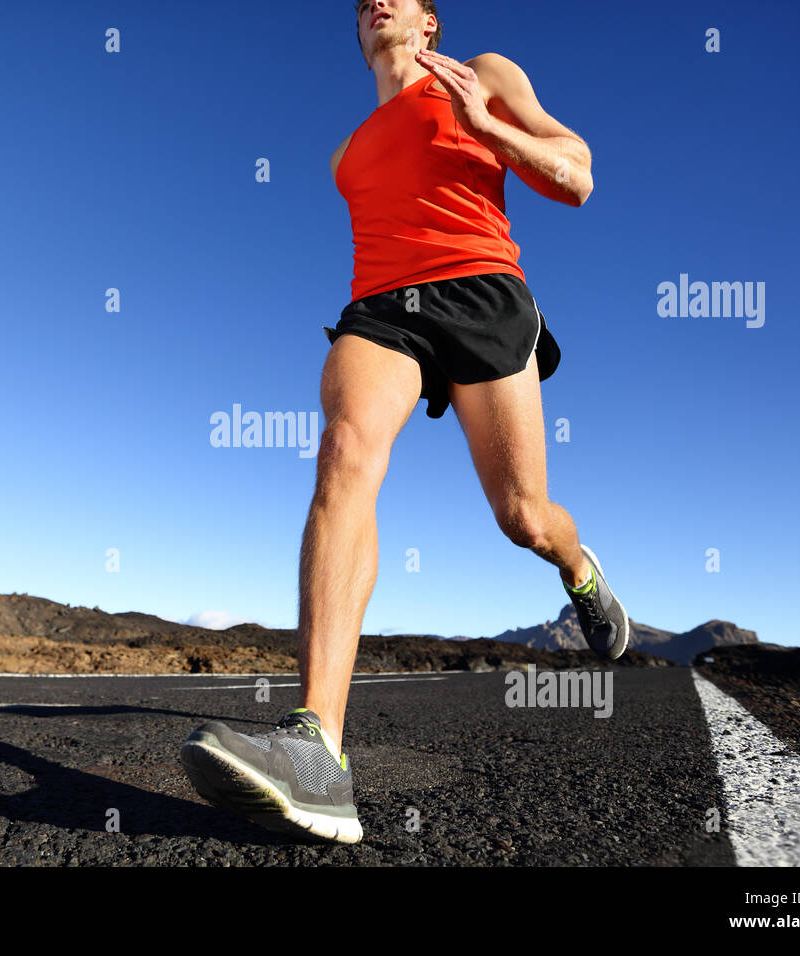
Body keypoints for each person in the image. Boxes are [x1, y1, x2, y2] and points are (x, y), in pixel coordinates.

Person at [179, 0, 628, 845]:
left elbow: (576, 175)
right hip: (384, 309)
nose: (376, 3)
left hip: (485, 294)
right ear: (362, 33)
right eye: (363, 2)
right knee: (343, 452)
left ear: (430, 24)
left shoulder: (485, 74)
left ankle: (579, 570)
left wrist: (487, 128)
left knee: (523, 516)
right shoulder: (348, 154)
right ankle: (318, 752)